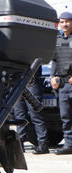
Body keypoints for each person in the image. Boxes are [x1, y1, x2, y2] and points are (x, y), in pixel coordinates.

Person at [12, 67, 50, 154]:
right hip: (17, 83)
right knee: (19, 115)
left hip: (31, 82)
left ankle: (43, 144)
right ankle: (20, 144)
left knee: (36, 115)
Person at [51, 11, 72, 154]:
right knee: (65, 116)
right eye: (62, 21)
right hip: (62, 83)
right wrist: (52, 77)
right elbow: (54, 59)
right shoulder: (57, 39)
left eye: (67, 21)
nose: (64, 24)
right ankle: (69, 145)